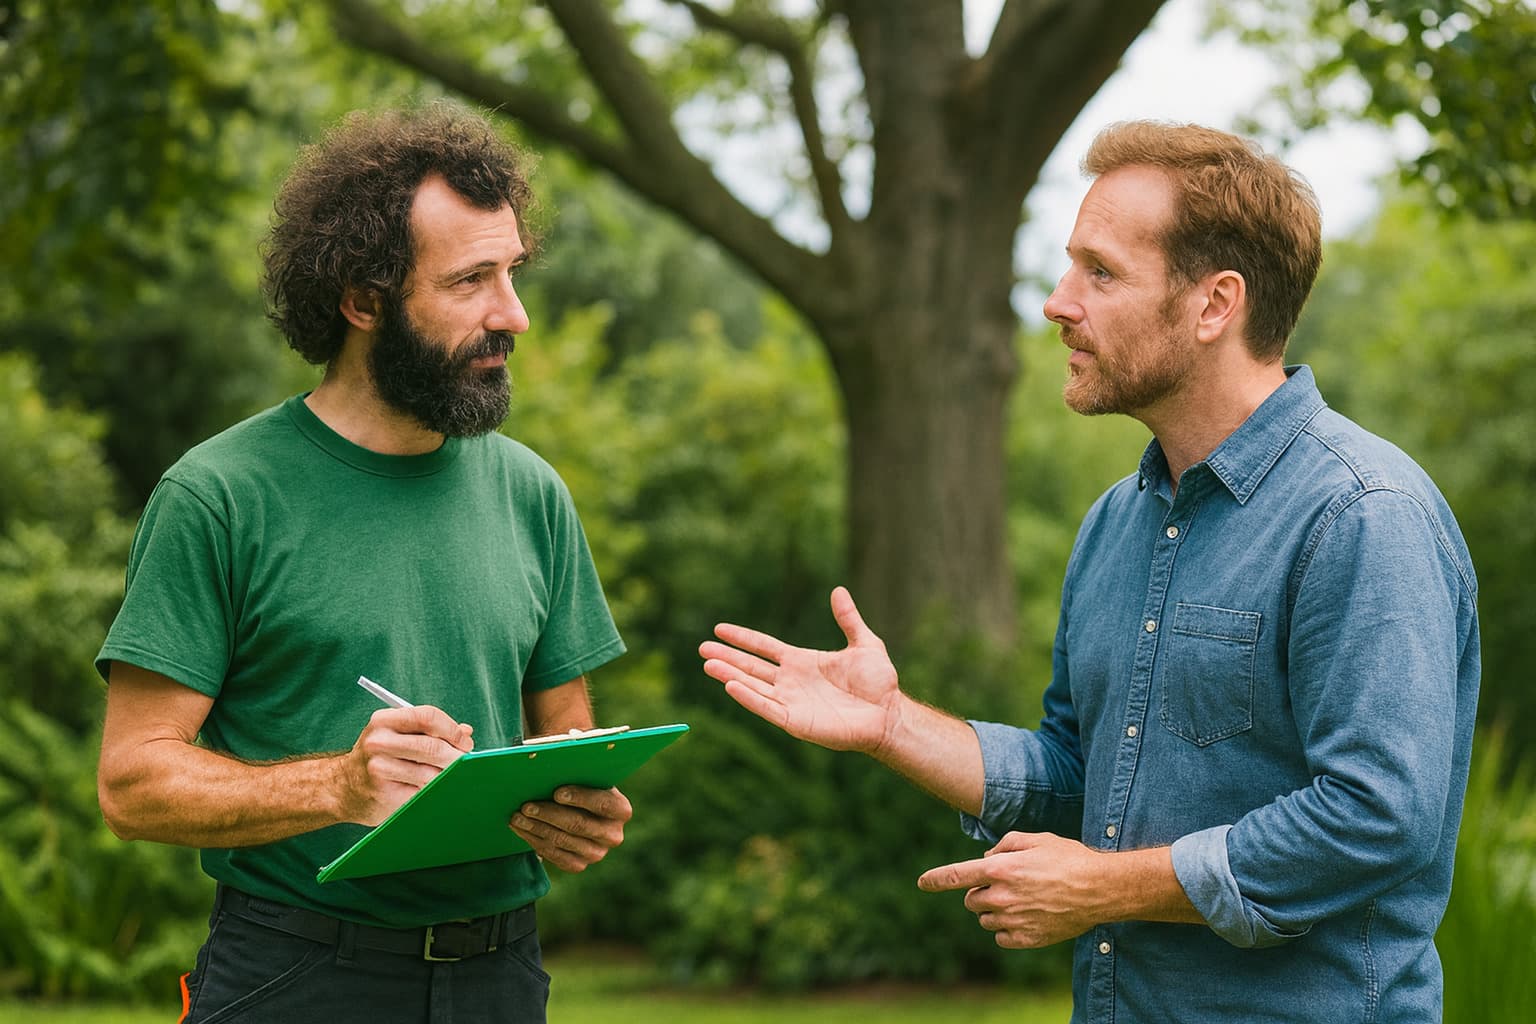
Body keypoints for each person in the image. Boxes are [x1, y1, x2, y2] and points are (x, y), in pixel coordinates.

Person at [700, 121, 1479, 1022]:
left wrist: (1104, 889)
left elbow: (1376, 816)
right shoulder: (1118, 520)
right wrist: (889, 725)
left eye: (1100, 273)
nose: (1058, 302)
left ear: (1214, 304)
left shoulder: (1361, 515)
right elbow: (1079, 775)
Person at [96, 103, 632, 1024]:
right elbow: (132, 784)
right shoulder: (219, 495)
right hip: (296, 975)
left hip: (504, 977)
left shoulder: (532, 491)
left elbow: (565, 736)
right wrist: (340, 785)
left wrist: (577, 804)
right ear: (363, 300)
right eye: (471, 281)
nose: (515, 315)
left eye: (511, 272)